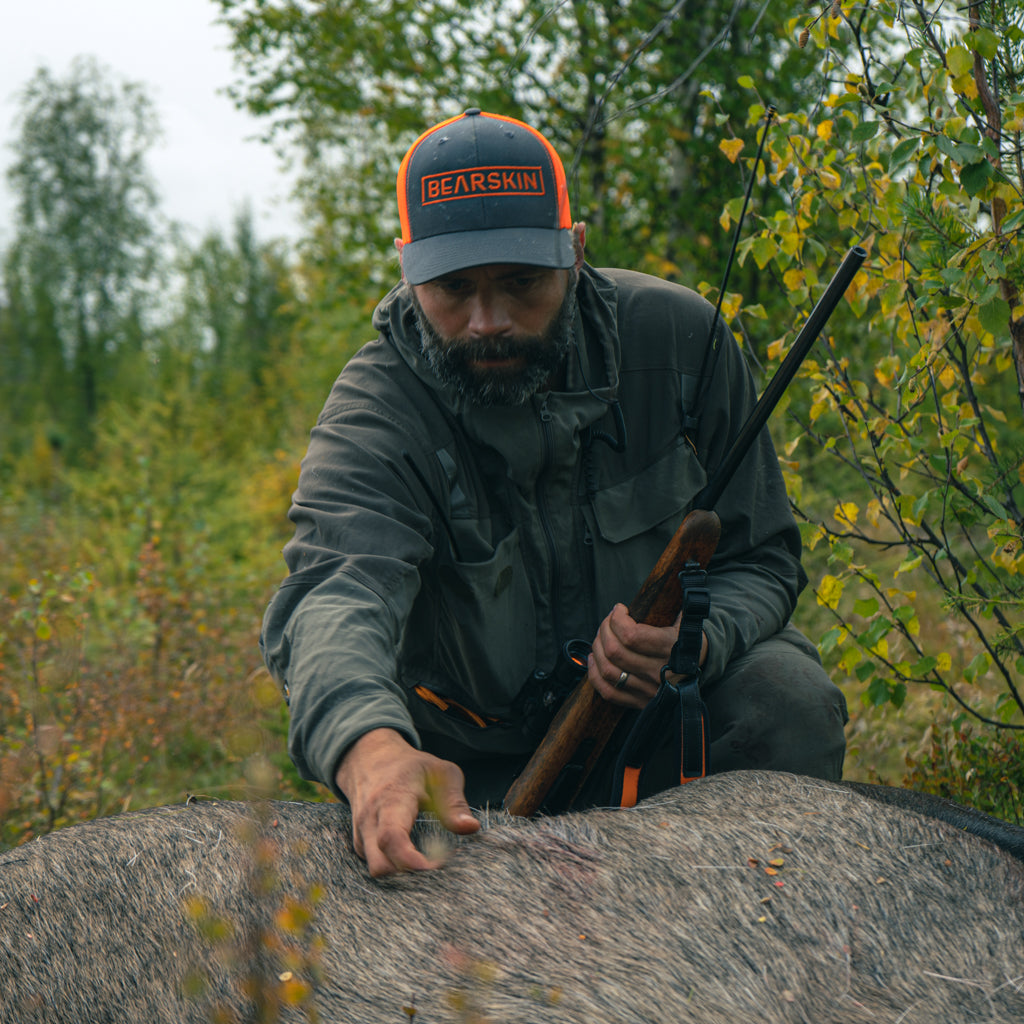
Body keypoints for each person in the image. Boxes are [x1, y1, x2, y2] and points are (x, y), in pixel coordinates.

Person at [261, 109, 849, 877]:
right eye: (452, 289)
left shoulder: (680, 341)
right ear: (406, 269)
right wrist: (369, 749)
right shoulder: (375, 414)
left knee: (790, 699)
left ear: (575, 250)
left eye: (521, 282)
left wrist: (695, 644)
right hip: (475, 766)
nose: (488, 321)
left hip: (662, 724)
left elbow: (763, 556)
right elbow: (332, 599)